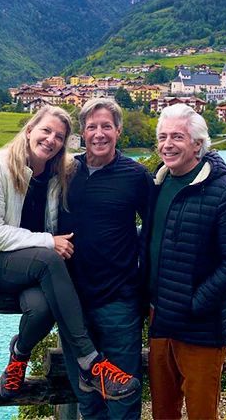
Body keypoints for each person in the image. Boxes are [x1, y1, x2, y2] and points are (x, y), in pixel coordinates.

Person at [0, 105, 139, 401]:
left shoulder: (59, 171)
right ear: (29, 129)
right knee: (49, 259)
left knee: (42, 309)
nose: (51, 140)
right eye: (45, 131)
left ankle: (19, 354)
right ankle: (90, 363)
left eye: (59, 136)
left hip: (34, 268)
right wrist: (48, 241)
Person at [142, 104, 226, 420]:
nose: (167, 144)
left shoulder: (225, 191)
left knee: (201, 414)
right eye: (162, 137)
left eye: (177, 136)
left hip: (201, 328)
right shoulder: (158, 184)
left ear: (197, 143)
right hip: (160, 321)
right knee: (163, 413)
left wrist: (194, 304)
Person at [56, 98, 154, 420]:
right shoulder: (66, 171)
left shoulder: (136, 175)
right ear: (82, 133)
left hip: (119, 302)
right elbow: (26, 206)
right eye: (92, 127)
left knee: (124, 397)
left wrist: (142, 280)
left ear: (119, 131)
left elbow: (155, 229)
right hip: (73, 304)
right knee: (87, 396)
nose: (99, 134)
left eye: (106, 127)